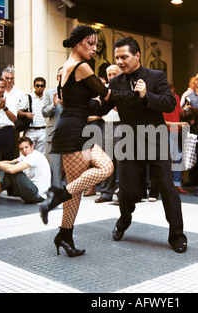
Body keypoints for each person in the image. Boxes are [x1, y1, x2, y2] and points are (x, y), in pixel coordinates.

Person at [39, 25, 128, 257]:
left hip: (71, 129)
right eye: (92, 43)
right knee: (106, 166)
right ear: (79, 43)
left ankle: (64, 236)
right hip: (73, 132)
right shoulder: (80, 66)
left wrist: (106, 101)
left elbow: (92, 105)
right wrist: (131, 93)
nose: (95, 48)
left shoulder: (67, 69)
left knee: (76, 191)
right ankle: (58, 194)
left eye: (96, 44)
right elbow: (106, 94)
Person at [101, 37, 188, 253]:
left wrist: (146, 95)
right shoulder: (115, 82)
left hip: (155, 138)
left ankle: (177, 235)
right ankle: (124, 220)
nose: (120, 61)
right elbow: (103, 107)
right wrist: (84, 104)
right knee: (128, 189)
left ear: (137, 55)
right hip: (129, 140)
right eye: (117, 57)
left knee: (167, 187)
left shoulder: (156, 76)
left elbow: (169, 104)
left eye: (124, 57)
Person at [0, 136, 50, 205]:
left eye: (26, 147)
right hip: (33, 192)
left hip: (38, 195)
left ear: (32, 146)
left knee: (10, 169)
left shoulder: (34, 156)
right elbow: (11, 162)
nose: (24, 150)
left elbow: (12, 169)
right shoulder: (26, 156)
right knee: (8, 167)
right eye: (21, 149)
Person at [95, 64, 123, 203]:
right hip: (106, 125)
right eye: (109, 74)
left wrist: (110, 103)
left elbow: (123, 108)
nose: (112, 77)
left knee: (121, 160)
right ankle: (106, 193)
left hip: (121, 125)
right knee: (107, 160)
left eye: (114, 74)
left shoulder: (124, 87)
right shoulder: (103, 89)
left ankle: (122, 194)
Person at [163, 83, 188, 194]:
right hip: (166, 132)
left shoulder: (176, 98)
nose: (171, 91)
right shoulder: (161, 100)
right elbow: (161, 122)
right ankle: (168, 185)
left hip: (176, 131)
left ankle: (176, 184)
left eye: (172, 88)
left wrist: (186, 110)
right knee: (169, 159)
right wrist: (178, 123)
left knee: (178, 158)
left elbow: (179, 112)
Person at [42, 67, 64, 188]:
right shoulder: (50, 93)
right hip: (54, 133)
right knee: (54, 165)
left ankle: (69, 190)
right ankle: (56, 189)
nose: (62, 78)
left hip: (70, 134)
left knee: (69, 165)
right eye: (60, 75)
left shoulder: (73, 92)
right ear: (57, 78)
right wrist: (53, 105)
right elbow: (44, 112)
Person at [18, 77, 48, 154]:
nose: (39, 88)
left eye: (41, 86)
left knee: (41, 155)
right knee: (27, 154)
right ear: (34, 86)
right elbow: (18, 111)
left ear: (44, 87)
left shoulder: (46, 99)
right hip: (30, 130)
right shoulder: (28, 97)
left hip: (42, 130)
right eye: (37, 86)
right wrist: (26, 114)